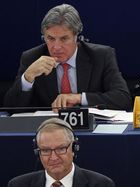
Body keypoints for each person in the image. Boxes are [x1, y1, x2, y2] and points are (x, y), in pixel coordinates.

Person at [3, 4, 131, 111]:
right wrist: (27, 77)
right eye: (51, 39)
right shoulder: (32, 58)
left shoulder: (101, 56)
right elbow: (10, 108)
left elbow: (123, 99)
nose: (56, 47)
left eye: (64, 39)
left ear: (77, 36)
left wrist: (79, 98)